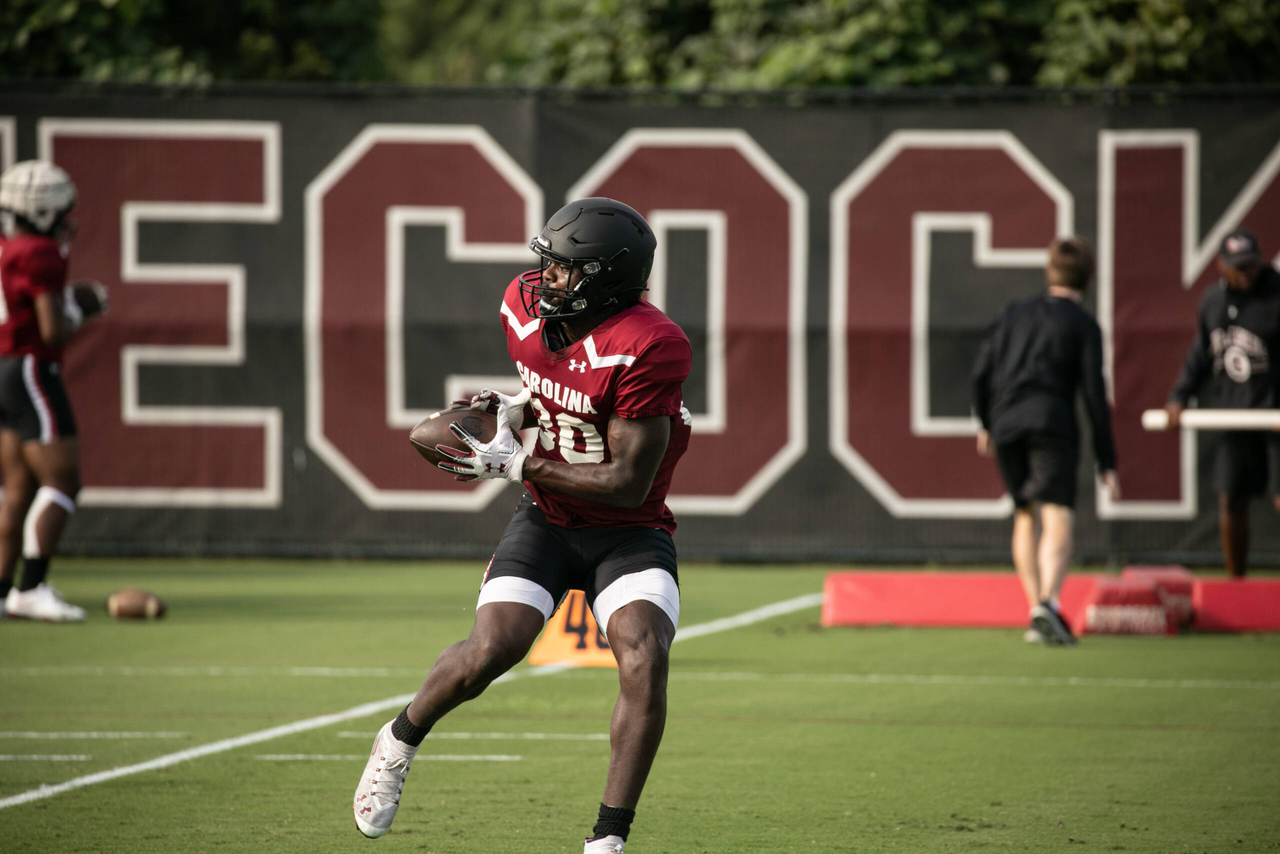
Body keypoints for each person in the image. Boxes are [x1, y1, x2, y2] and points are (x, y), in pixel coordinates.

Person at [353, 198, 692, 854]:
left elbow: (627, 484)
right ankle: (396, 741)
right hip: (548, 517)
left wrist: (517, 462)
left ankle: (606, 841)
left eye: (565, 270)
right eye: (548, 265)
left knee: (644, 656)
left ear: (605, 280)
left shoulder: (650, 344)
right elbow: (557, 391)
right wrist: (520, 409)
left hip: (628, 528)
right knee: (492, 650)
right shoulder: (522, 305)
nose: (546, 280)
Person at [972, 236, 1120, 645]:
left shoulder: (1013, 313)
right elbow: (1094, 395)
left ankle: (1034, 611)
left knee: (1024, 514)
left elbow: (981, 371)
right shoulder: (1083, 324)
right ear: (1088, 278)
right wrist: (1107, 459)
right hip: (1051, 423)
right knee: (1056, 514)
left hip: (1006, 424)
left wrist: (986, 422)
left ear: (1049, 271)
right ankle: (1047, 603)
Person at [0, 160, 107, 622]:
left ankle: (4, 589)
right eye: (62, 209)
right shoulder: (41, 253)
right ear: (45, 213)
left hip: (3, 367)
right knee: (62, 479)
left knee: (18, 487)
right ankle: (31, 586)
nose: (68, 217)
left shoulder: (8, 248)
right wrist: (79, 310)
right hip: (29, 368)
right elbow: (51, 329)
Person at [1164, 229, 1280, 577]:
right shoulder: (1212, 302)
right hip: (1235, 414)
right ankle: (1236, 583)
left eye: (1250, 266)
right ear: (1221, 266)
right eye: (1238, 268)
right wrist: (1179, 396)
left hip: (1275, 414)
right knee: (1230, 497)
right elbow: (1201, 354)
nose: (1246, 274)